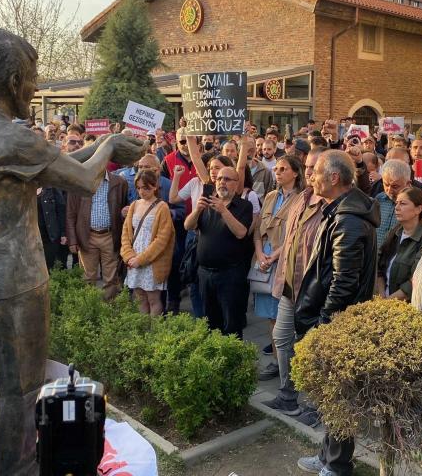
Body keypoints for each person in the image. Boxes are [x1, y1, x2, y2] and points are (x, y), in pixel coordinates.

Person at [0, 29, 146, 476]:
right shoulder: (8, 136)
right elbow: (88, 181)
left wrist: (103, 148)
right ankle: (18, 470)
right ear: (14, 81)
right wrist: (110, 144)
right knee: (22, 390)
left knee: (8, 384)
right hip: (13, 279)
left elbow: (60, 170)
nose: (35, 86)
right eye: (32, 77)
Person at [296, 150, 379, 476]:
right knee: (333, 395)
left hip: (338, 324)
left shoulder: (348, 219)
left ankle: (338, 465)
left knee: (340, 396)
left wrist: (324, 323)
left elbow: (344, 283)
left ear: (333, 178)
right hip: (336, 321)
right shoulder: (342, 211)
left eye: (316, 171)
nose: (311, 176)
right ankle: (328, 455)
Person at [263, 147, 326, 424]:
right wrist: (280, 282)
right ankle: (288, 395)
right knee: (281, 337)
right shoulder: (301, 198)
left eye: (315, 167)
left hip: (313, 291)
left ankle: (316, 403)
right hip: (290, 286)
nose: (309, 172)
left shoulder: (331, 207)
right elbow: (289, 243)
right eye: (308, 167)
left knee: (312, 347)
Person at [184, 166, 253, 338]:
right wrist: (198, 209)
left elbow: (241, 232)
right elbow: (188, 226)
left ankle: (235, 361)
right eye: (220, 178)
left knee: (232, 324)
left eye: (227, 179)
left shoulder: (244, 205)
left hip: (230, 275)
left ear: (236, 184)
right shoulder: (206, 204)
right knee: (211, 323)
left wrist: (223, 210)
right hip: (205, 274)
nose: (222, 182)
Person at [254, 155, 304, 382]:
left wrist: (275, 254)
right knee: (270, 317)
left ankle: (292, 364)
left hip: (284, 260)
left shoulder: (302, 198)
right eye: (277, 169)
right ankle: (276, 362)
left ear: (295, 172)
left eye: (283, 169)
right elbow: (258, 230)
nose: (278, 172)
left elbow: (298, 234)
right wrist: (259, 253)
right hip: (264, 260)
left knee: (285, 315)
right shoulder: (271, 196)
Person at [66, 169, 128, 300]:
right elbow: (70, 214)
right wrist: (72, 240)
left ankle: (108, 309)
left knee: (111, 278)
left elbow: (125, 208)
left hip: (110, 235)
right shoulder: (78, 183)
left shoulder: (119, 182)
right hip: (87, 236)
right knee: (87, 277)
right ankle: (90, 308)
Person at [120, 170, 175, 317]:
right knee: (140, 298)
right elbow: (125, 233)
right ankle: (143, 332)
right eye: (138, 188)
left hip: (152, 260)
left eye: (146, 188)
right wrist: (129, 256)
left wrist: (141, 259)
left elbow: (162, 239)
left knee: (153, 299)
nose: (142, 191)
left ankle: (154, 335)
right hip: (134, 257)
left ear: (155, 186)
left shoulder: (162, 207)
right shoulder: (134, 205)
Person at [376, 186, 422, 301]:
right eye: (396, 203)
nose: (397, 208)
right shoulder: (394, 233)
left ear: (418, 209)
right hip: (385, 303)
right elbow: (378, 267)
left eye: (403, 204)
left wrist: (387, 302)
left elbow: (414, 280)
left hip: (409, 308)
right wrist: (381, 298)